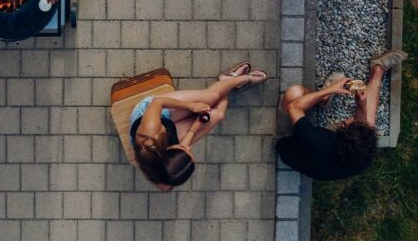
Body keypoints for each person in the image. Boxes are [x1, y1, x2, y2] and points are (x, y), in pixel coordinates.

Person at [130, 62, 267, 191]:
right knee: (217, 115)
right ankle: (227, 82)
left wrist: (191, 106)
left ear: (170, 150)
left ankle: (242, 79)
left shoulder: (150, 133)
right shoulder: (162, 172)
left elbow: (158, 102)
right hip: (168, 132)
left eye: (184, 148)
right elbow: (185, 145)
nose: (188, 146)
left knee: (211, 97)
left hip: (155, 111)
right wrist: (196, 125)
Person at [277, 49, 408, 181]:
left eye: (350, 122)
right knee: (368, 124)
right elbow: (362, 129)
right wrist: (362, 106)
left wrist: (330, 90)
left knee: (294, 93)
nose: (351, 118)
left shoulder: (317, 139)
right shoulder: (362, 159)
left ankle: (323, 98)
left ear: (342, 128)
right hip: (325, 161)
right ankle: (378, 69)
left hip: (292, 141)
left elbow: (293, 107)